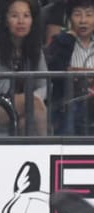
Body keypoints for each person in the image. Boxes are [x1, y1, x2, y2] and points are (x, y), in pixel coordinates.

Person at [0, 0, 49, 136]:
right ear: (6, 20)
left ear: (32, 20)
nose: (21, 21)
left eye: (26, 16)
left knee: (27, 123)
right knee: (33, 104)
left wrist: (30, 98)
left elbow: (44, 85)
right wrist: (28, 100)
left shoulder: (35, 49)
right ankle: (48, 150)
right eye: (15, 16)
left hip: (27, 106)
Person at [45, 0, 94, 134]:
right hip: (68, 104)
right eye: (78, 15)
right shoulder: (60, 42)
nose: (83, 20)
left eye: (89, 15)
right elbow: (56, 74)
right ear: (69, 18)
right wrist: (68, 40)